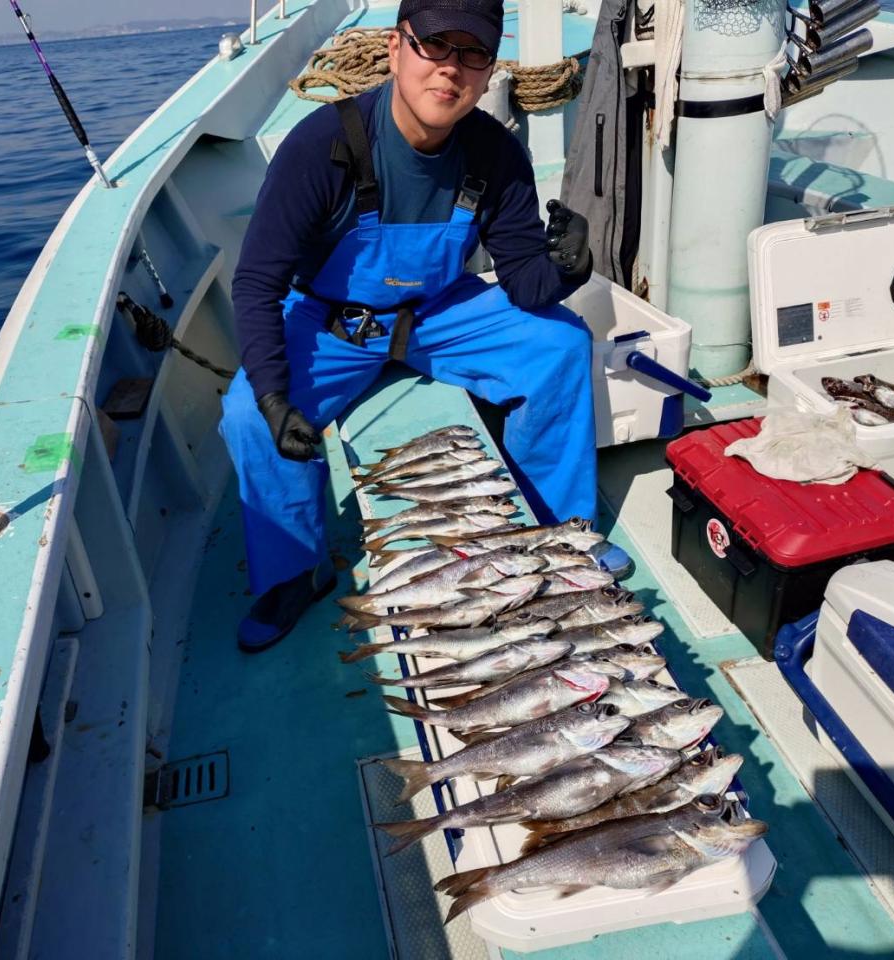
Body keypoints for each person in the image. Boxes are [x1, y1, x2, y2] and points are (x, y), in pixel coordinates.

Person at [221, 0, 616, 653]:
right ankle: (295, 571)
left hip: (440, 311)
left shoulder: (494, 152)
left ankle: (555, 532)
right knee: (246, 415)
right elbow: (258, 282)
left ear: (489, 69)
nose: (451, 68)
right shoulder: (321, 147)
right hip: (331, 320)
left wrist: (566, 268)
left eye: (473, 52)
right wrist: (270, 393)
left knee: (562, 344)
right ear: (396, 48)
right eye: (434, 45)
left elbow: (524, 283)